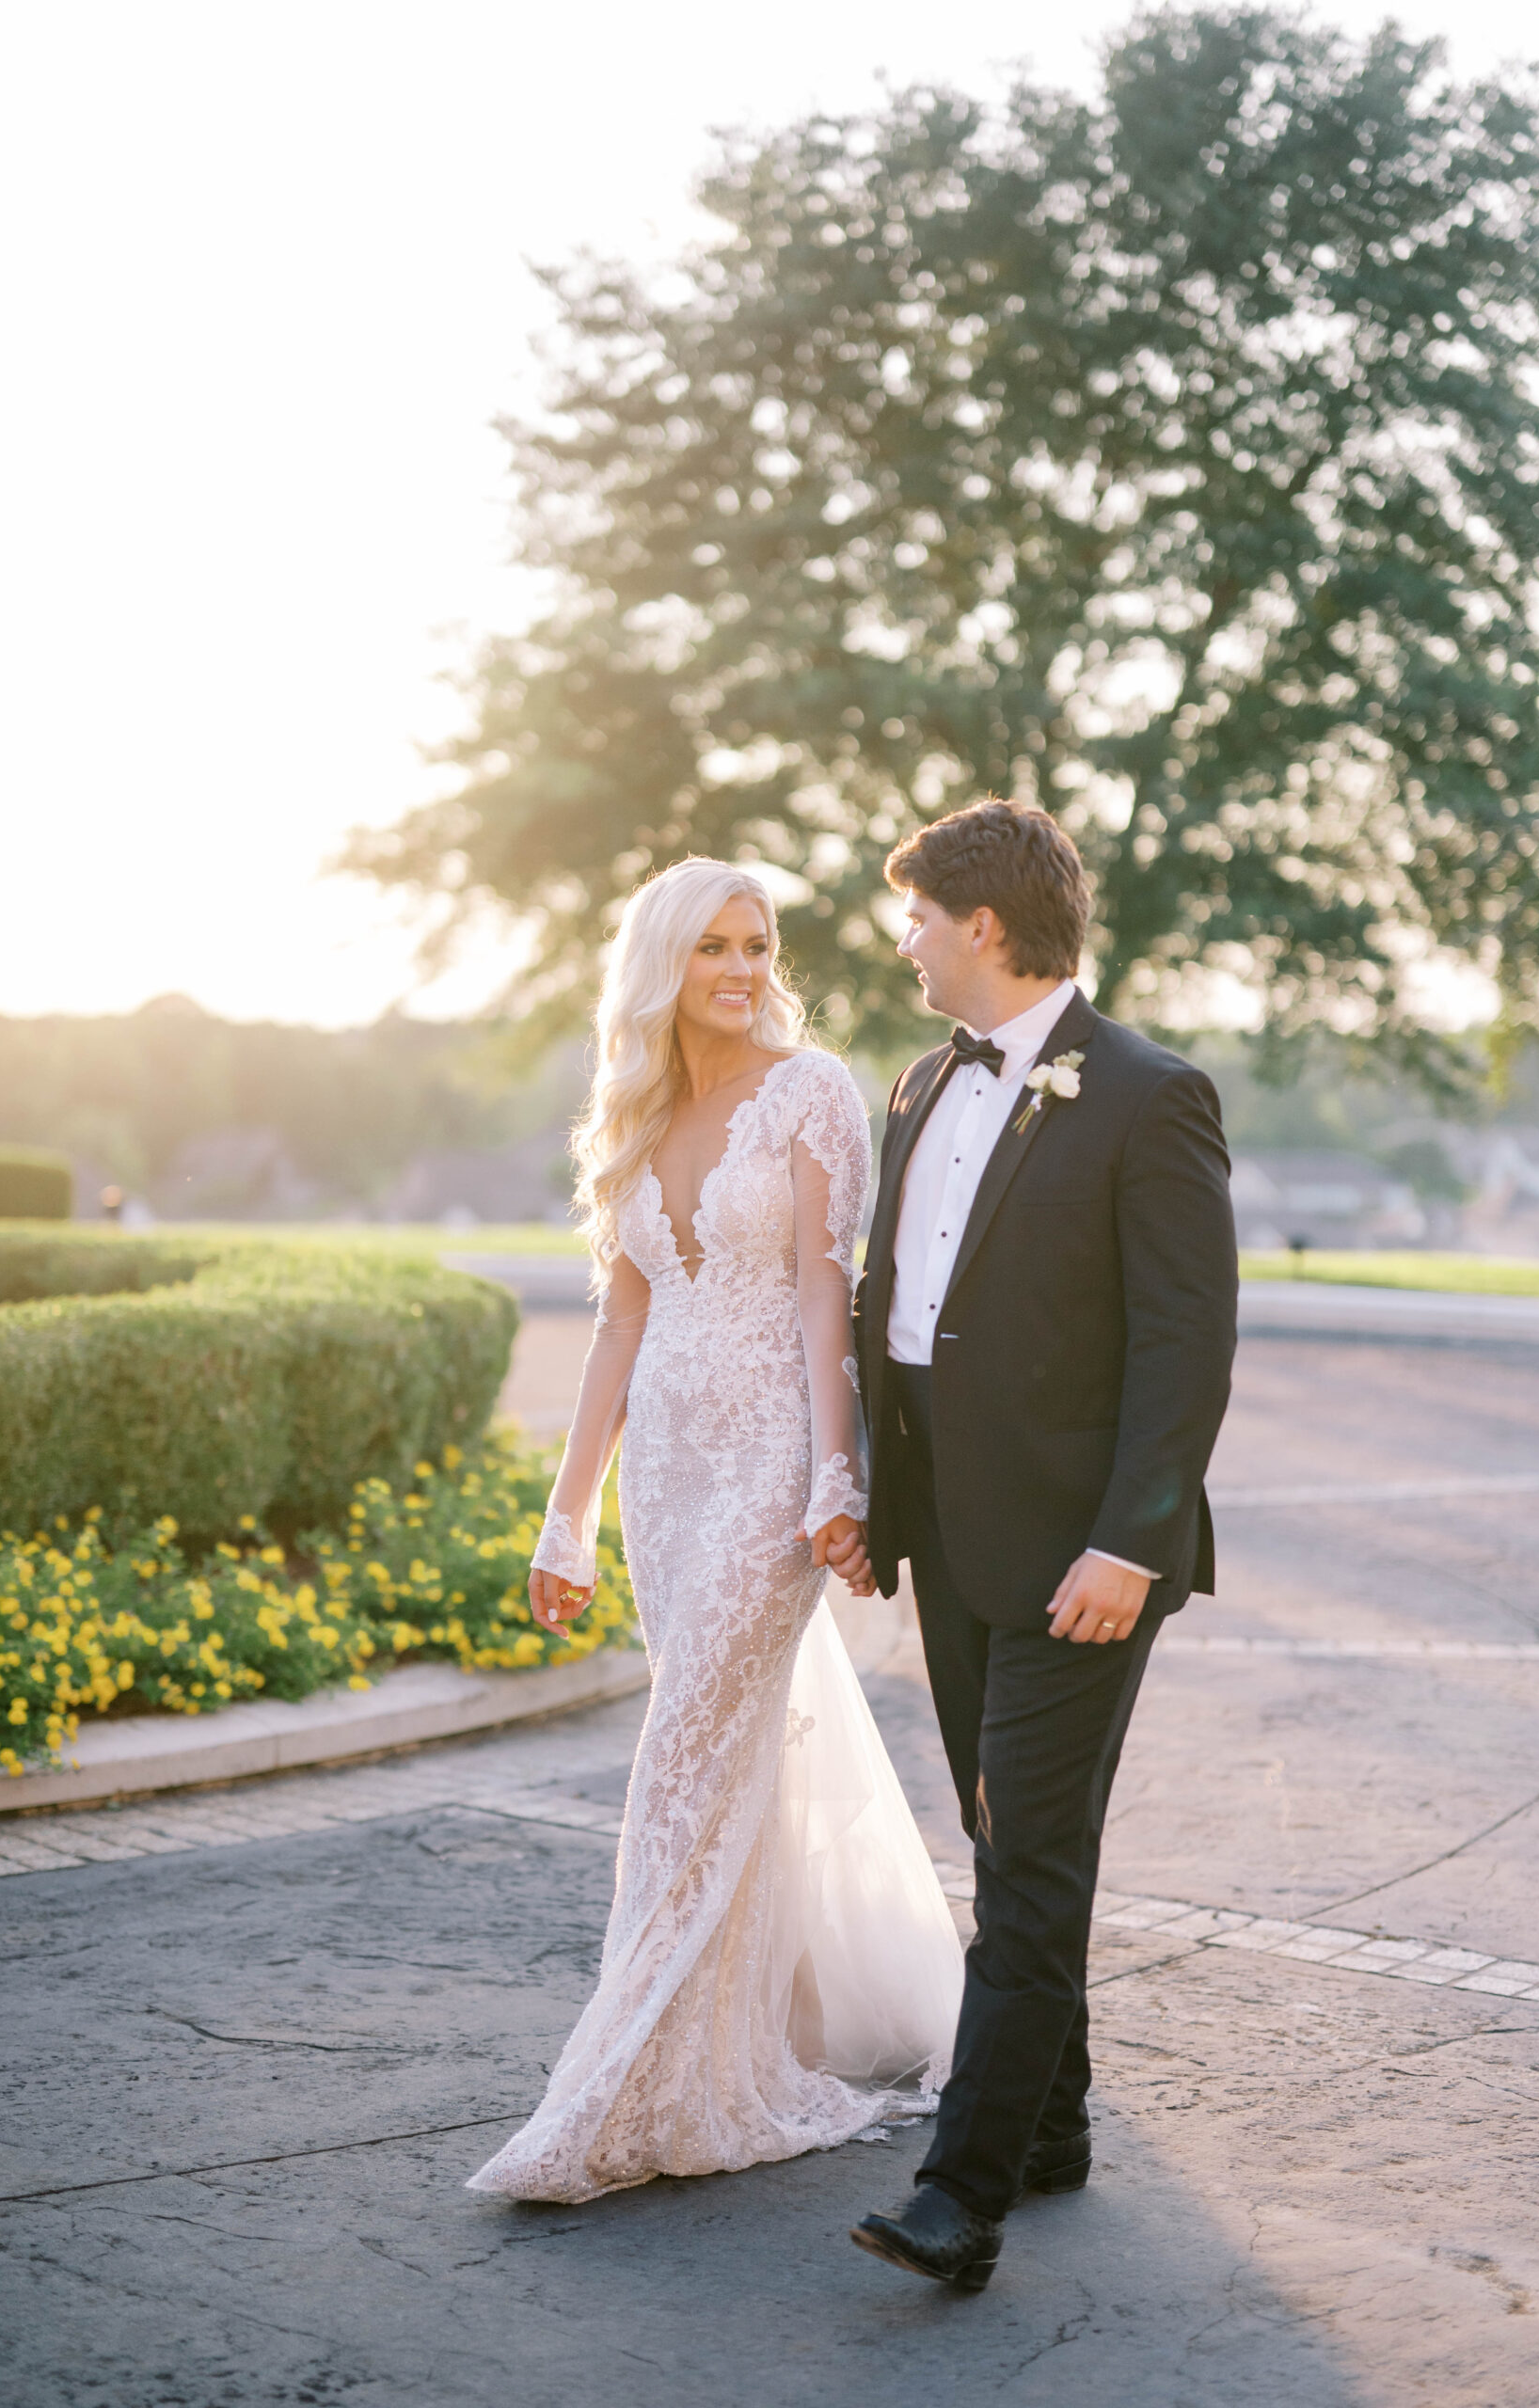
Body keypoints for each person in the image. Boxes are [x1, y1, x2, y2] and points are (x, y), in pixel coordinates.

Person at [468, 858, 963, 2204]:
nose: (744, 969)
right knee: (713, 1746)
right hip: (667, 1485)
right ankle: (710, 2047)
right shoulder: (632, 1117)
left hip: (768, 1466)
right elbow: (618, 1328)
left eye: (759, 944)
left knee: (684, 1746)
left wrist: (834, 1479)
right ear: (663, 965)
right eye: (714, 949)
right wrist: (565, 1516)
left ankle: (623, 2078)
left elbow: (825, 1300)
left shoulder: (808, 1095)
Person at [849, 798, 1237, 2292]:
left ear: (985, 926)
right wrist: (873, 1497)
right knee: (1006, 1839)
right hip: (949, 1537)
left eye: (917, 919)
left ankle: (963, 2191)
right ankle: (1052, 2125)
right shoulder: (913, 1088)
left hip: (1086, 1560)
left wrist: (1132, 1546)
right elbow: (902, 1314)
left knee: (1030, 1858)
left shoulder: (1151, 1094)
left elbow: (1185, 1344)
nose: (905, 945)